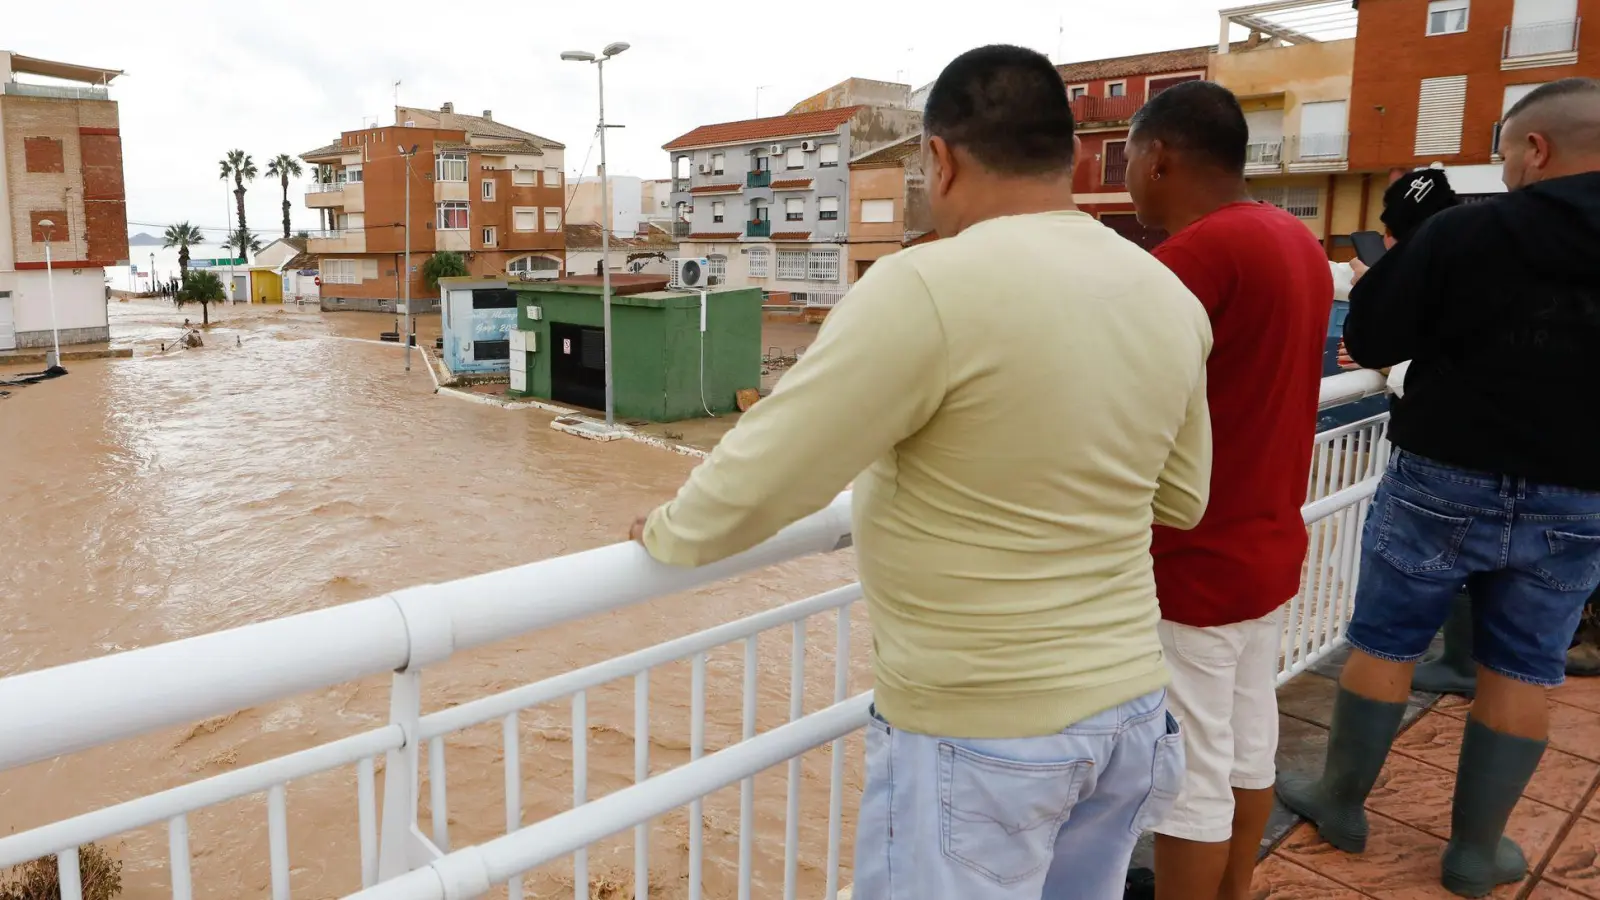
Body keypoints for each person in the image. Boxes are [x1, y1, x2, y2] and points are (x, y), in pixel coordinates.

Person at [631, 44, 1214, 899]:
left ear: (938, 160)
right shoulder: (1166, 293)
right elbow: (1184, 498)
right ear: (1077, 158)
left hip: (985, 734)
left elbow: (768, 472)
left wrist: (664, 534)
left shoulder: (927, 286)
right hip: (1128, 714)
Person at [1277, 77, 1600, 898]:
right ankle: (1473, 852)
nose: (1506, 171)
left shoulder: (1467, 230)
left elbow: (1376, 332)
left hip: (1443, 475)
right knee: (1525, 667)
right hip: (1579, 494)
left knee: (1384, 643)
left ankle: (1341, 803)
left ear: (1536, 149)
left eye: (1505, 155)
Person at [1118, 82, 1333, 900]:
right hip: (1268, 543)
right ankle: (1236, 889)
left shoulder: (1192, 258)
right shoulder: (1295, 240)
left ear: (1158, 155)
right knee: (1247, 745)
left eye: (1131, 158)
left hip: (1195, 559)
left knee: (1190, 774)